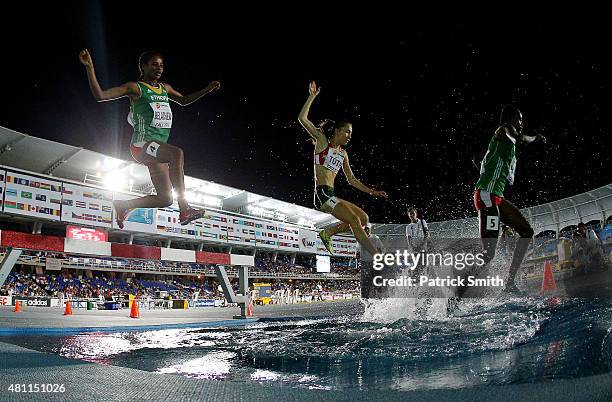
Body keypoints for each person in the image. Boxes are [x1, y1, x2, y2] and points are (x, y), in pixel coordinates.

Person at [79, 49, 221, 228]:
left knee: (165, 198)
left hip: (157, 149)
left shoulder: (165, 88)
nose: (159, 68)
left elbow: (184, 101)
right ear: (143, 66)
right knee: (177, 153)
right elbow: (100, 96)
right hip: (142, 146)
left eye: (161, 65)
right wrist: (90, 67)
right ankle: (184, 207)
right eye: (154, 64)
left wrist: (207, 89)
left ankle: (124, 205)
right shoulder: (135, 88)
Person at [298, 81, 388, 256]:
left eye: (351, 133)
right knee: (354, 219)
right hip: (322, 194)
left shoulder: (343, 154)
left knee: (363, 219)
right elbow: (302, 119)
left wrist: (372, 192)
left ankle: (328, 232)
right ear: (337, 131)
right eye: (347, 132)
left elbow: (351, 180)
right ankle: (377, 256)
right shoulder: (323, 142)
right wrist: (311, 97)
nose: (349, 136)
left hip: (331, 194)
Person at [472, 105, 546, 295]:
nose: (521, 124)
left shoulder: (505, 143)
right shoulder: (502, 131)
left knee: (526, 232)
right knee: (489, 254)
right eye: (519, 119)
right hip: (486, 197)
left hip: (496, 197)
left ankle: (509, 284)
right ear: (509, 120)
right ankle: (458, 289)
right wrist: (535, 138)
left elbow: (490, 163)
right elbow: (520, 139)